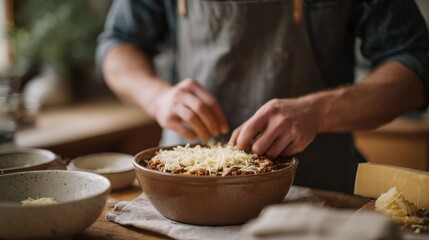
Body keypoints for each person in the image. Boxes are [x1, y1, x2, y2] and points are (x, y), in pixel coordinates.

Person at [96, 0, 429, 194]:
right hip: (184, 188)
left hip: (319, 191)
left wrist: (318, 110)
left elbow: (417, 63)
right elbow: (118, 43)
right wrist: (157, 97)